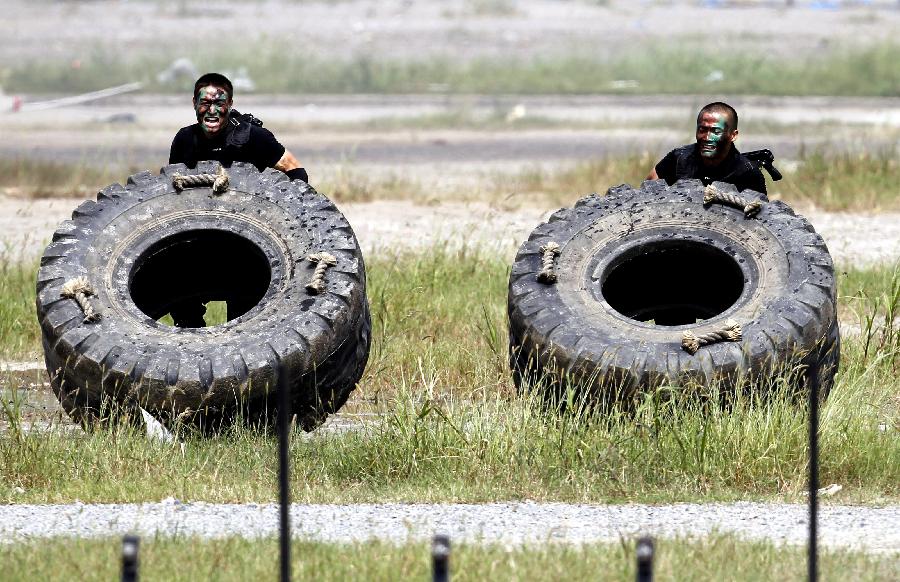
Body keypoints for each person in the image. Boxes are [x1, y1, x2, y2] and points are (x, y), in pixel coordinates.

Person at [167, 73, 309, 328]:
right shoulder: (184, 140)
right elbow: (175, 190)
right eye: (204, 103)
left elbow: (296, 171)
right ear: (194, 104)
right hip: (201, 236)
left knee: (242, 320)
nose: (211, 110)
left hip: (245, 241)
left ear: (230, 104)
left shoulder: (252, 137)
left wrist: (290, 219)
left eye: (219, 103)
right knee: (173, 286)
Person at [647, 102, 767, 195]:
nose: (707, 137)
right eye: (702, 130)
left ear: (733, 135)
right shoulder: (679, 158)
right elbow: (646, 192)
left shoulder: (748, 173)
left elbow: (758, 217)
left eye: (716, 131)